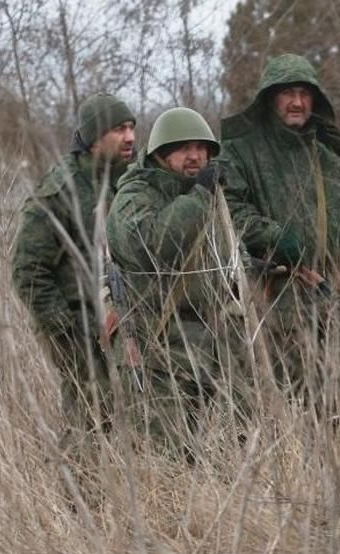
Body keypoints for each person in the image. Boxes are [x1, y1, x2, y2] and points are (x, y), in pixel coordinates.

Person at [217, 54, 340, 410]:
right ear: (270, 98)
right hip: (263, 310)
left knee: (329, 418)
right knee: (264, 419)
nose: (297, 102)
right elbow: (230, 211)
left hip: (326, 307)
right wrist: (275, 239)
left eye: (304, 92)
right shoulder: (240, 153)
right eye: (287, 92)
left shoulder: (331, 161)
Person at [107, 107, 247, 456]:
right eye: (184, 148)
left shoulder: (207, 197)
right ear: (160, 153)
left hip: (207, 348)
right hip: (156, 352)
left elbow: (224, 257)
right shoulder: (135, 197)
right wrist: (199, 197)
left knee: (214, 459)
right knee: (165, 460)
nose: (195, 156)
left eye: (202, 148)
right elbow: (156, 246)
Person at [12, 93, 136, 432]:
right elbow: (27, 271)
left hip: (129, 321)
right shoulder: (58, 192)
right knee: (91, 419)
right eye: (119, 129)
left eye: (131, 128)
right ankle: (82, 484)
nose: (130, 137)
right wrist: (71, 331)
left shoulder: (129, 181)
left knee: (140, 416)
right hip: (79, 326)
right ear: (95, 137)